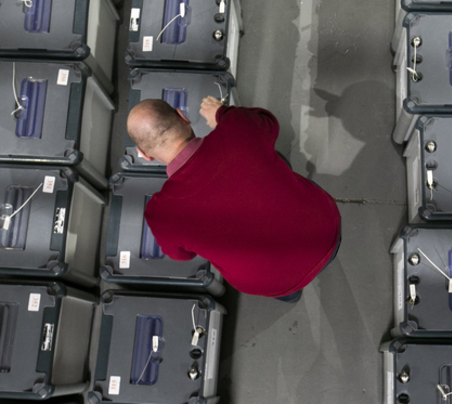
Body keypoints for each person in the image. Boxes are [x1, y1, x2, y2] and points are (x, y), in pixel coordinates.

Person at [126, 97, 341, 302]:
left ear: (145, 155)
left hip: (274, 282)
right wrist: (222, 112)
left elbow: (182, 256)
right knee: (275, 158)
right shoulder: (237, 128)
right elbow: (268, 122)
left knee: (280, 285)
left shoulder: (160, 214)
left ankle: (291, 294)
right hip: (326, 232)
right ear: (182, 116)